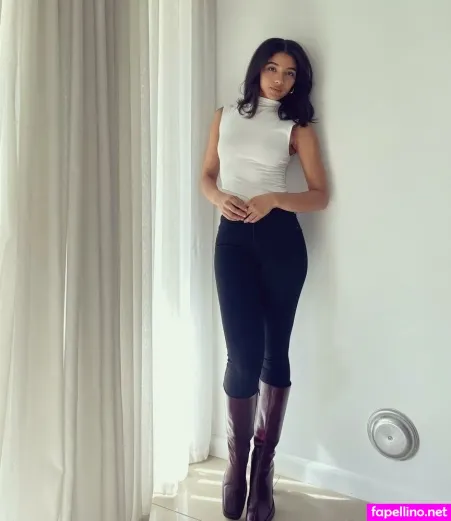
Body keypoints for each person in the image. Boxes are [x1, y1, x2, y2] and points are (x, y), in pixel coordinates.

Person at [200, 38, 329, 521]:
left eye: (290, 73)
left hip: (281, 243)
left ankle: (262, 471)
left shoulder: (298, 129)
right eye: (272, 68)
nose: (279, 79)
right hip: (232, 239)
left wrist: (274, 199)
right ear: (257, 70)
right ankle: (236, 467)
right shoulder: (224, 116)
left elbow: (319, 195)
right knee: (242, 355)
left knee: (276, 352)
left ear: (298, 81)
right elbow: (207, 175)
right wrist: (219, 198)